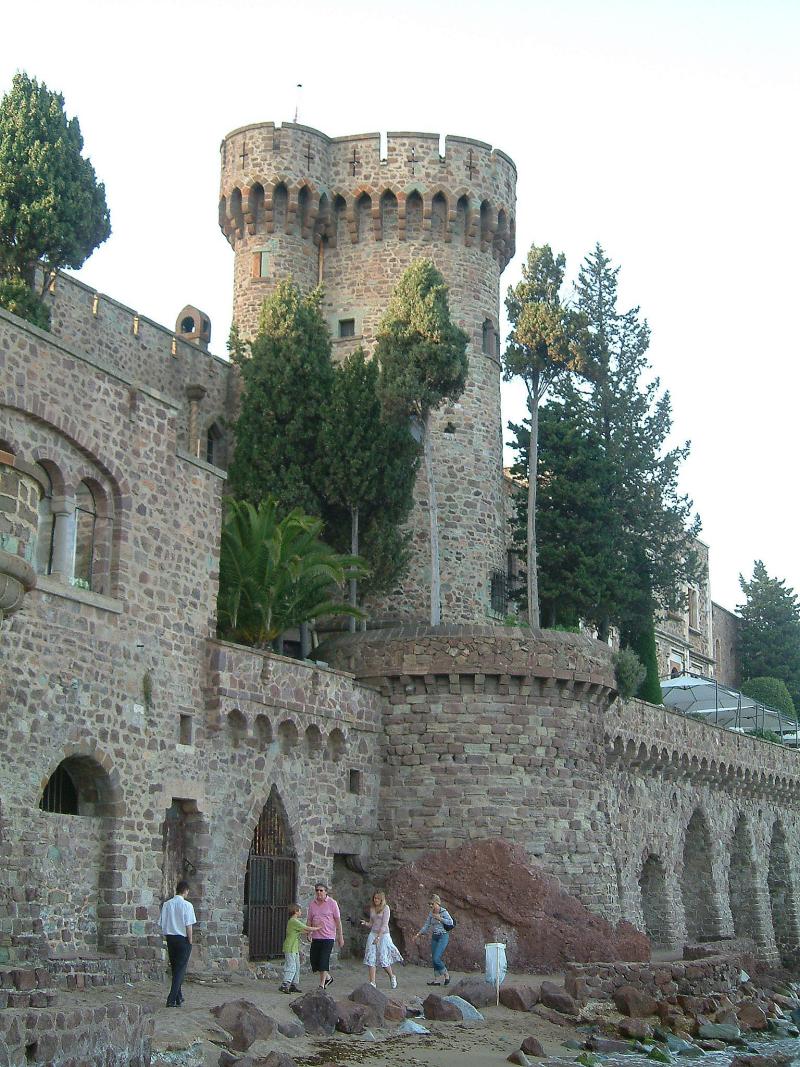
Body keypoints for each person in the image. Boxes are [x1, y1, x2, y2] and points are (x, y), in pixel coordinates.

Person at [159, 879, 196, 1007]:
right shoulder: (187, 906)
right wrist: (190, 941)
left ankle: (179, 997)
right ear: (186, 891)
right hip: (182, 939)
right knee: (180, 970)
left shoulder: (167, 904)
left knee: (175, 968)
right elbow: (188, 925)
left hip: (170, 938)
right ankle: (171, 998)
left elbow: (162, 923)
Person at [360, 889, 402, 989]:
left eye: (378, 898)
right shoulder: (372, 908)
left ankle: (392, 976)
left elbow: (384, 924)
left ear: (382, 899)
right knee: (371, 957)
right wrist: (365, 923)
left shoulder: (386, 908)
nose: (376, 900)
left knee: (383, 959)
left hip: (383, 935)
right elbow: (372, 923)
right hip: (373, 933)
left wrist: (378, 937)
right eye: (375, 898)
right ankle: (372, 982)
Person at [306, 882, 344, 990]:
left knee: (323, 959)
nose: (319, 892)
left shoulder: (332, 903)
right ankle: (328, 978)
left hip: (328, 937)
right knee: (315, 961)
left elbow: (338, 921)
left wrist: (340, 936)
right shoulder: (312, 904)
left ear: (326, 892)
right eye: (317, 890)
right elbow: (309, 919)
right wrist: (308, 932)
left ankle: (321, 985)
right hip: (316, 936)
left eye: (321, 890)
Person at [412, 893, 453, 986]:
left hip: (443, 936)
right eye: (429, 904)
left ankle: (446, 974)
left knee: (436, 958)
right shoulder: (431, 913)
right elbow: (426, 925)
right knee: (434, 958)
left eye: (432, 904)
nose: (430, 906)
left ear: (437, 903)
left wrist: (440, 918)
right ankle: (437, 979)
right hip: (435, 936)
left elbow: (450, 922)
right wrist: (418, 934)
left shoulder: (444, 912)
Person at [279, 903, 320, 993]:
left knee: (297, 966)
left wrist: (311, 932)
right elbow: (306, 928)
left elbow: (303, 930)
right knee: (291, 966)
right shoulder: (294, 921)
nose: (301, 912)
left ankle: (293, 984)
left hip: (294, 947)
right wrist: (318, 928)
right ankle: (285, 984)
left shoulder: (294, 922)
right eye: (300, 910)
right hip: (290, 947)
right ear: (296, 911)